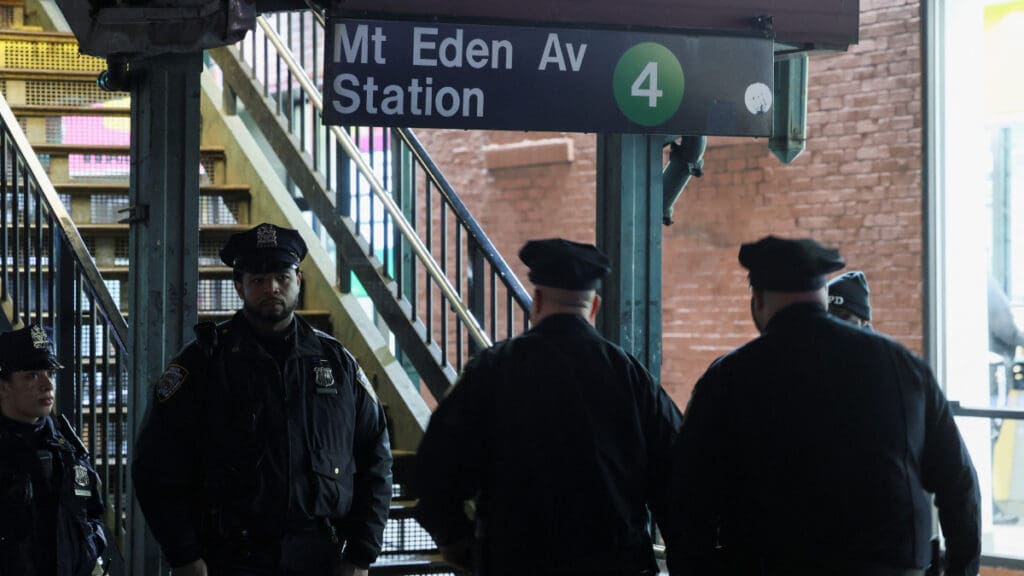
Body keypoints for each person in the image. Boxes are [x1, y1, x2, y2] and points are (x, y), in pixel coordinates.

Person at [665, 236, 981, 576]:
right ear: (822, 296)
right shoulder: (903, 366)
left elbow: (686, 504)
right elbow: (959, 485)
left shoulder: (726, 379)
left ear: (757, 301)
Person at [132, 222, 393, 576]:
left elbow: (375, 458)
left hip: (320, 557)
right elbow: (156, 467)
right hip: (229, 558)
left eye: (281, 277)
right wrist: (184, 554)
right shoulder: (202, 365)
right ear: (239, 286)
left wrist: (361, 553)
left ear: (298, 280)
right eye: (257, 279)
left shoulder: (337, 363)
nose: (271, 287)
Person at [414, 238, 683, 576]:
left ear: (536, 301)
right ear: (594, 306)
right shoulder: (631, 377)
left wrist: (459, 542)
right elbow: (680, 476)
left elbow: (434, 470)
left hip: (516, 562)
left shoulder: (493, 370)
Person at [0, 324, 107, 576]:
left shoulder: (65, 445)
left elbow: (91, 511)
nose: (47, 384)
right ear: (3, 386)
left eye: (50, 372)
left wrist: (91, 549)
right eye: (32, 375)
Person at [986, 276, 1021, 525]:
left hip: (984, 373)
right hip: (993, 376)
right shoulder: (986, 283)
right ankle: (989, 510)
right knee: (989, 438)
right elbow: (1007, 331)